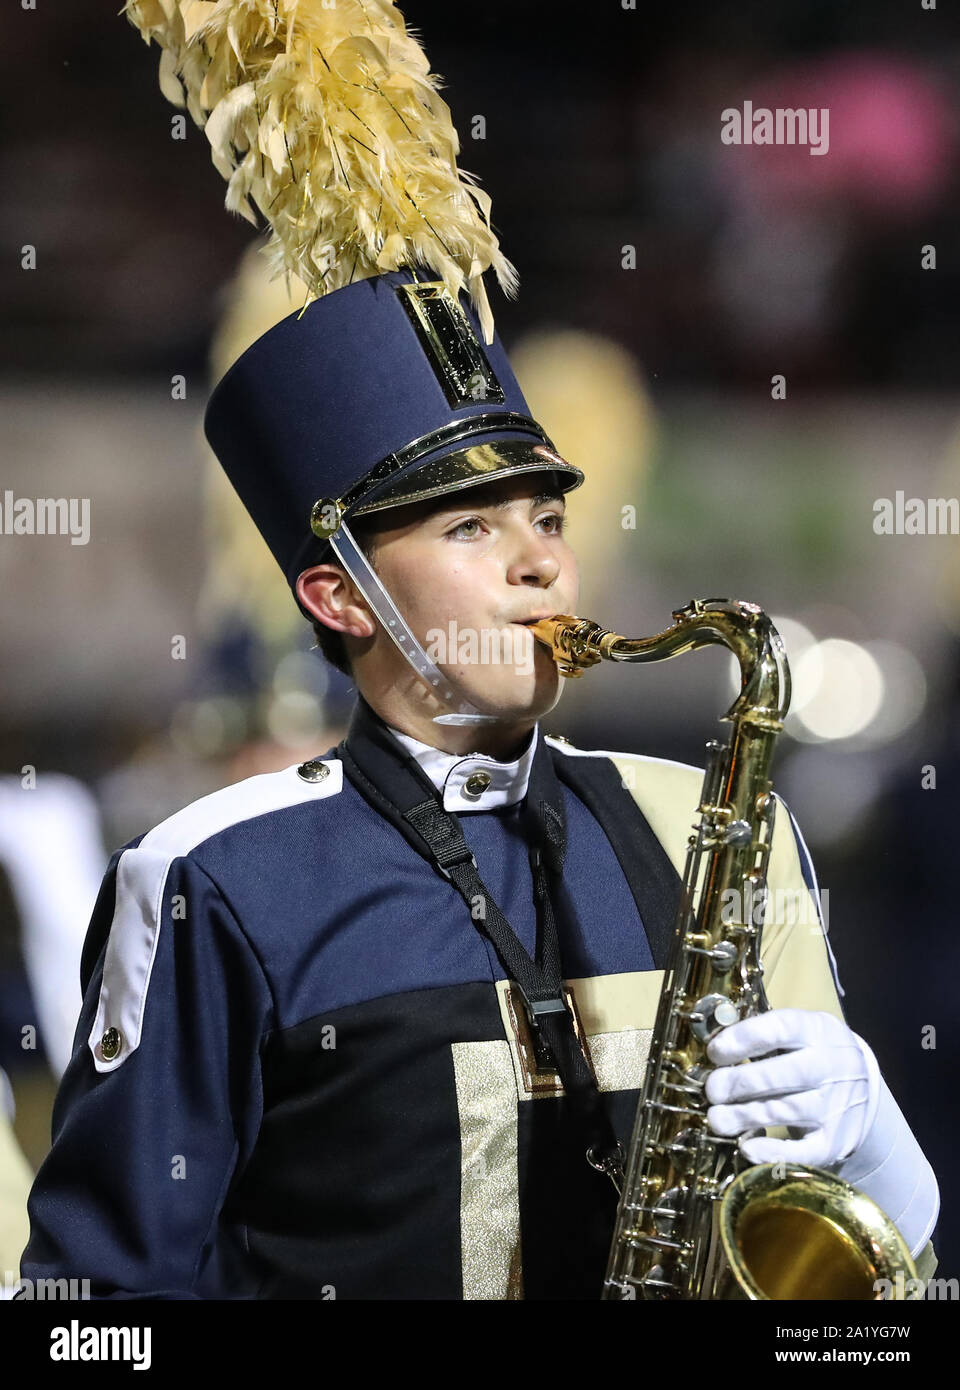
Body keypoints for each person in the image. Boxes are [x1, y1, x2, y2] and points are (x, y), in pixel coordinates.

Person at [17, 267, 939, 1299]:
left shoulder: (708, 821)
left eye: (547, 519)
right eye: (469, 528)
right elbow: (93, 1312)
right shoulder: (220, 876)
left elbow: (860, 1288)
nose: (539, 563)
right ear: (341, 595)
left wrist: (877, 1152)